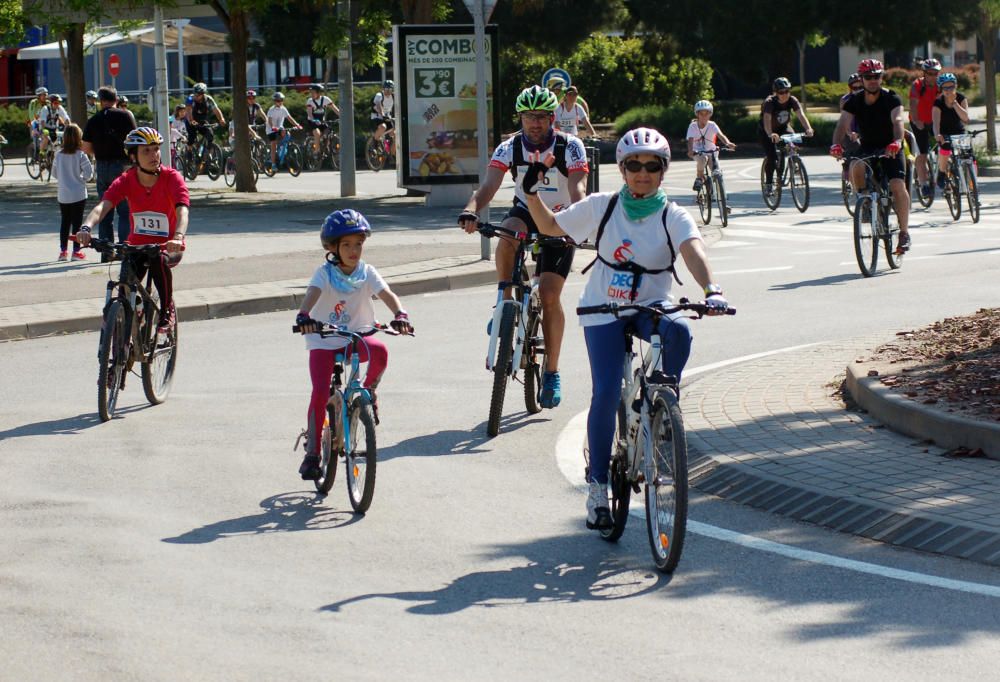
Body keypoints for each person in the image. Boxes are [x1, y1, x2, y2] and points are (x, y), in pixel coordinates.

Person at [518, 127, 729, 530]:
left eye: (652, 166)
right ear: (622, 169)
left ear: (663, 171)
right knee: (607, 391)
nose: (642, 173)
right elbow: (549, 228)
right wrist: (531, 195)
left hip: (650, 305)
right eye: (634, 165)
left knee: (680, 329)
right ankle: (598, 487)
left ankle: (663, 404)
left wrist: (711, 288)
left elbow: (693, 251)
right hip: (603, 309)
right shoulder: (602, 206)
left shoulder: (673, 214)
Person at [458, 85, 589, 408]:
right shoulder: (509, 147)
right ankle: (504, 302)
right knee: (507, 232)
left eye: (541, 117)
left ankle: (552, 372)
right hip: (525, 212)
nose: (535, 123)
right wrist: (471, 210)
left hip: (558, 219)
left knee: (548, 294)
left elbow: (578, 188)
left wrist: (580, 222)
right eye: (529, 117)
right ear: (521, 117)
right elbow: (488, 186)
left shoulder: (570, 146)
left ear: (552, 118)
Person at [293, 209, 414, 481]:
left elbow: (387, 294)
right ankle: (313, 453)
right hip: (324, 340)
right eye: (346, 245)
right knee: (320, 391)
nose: (353, 250)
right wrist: (304, 317)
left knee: (381, 350)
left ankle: (368, 392)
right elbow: (311, 296)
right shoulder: (324, 274)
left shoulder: (367, 272)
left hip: (355, 337)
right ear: (332, 248)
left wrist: (400, 315)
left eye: (358, 244)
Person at [76, 127, 189, 337]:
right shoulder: (126, 180)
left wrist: (178, 236)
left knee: (159, 260)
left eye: (156, 149)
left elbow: (182, 211)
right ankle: (124, 335)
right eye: (146, 151)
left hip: (167, 245)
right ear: (133, 156)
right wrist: (86, 227)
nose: (154, 155)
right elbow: (103, 206)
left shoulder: (172, 178)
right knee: (126, 280)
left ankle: (166, 310)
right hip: (137, 244)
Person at [830, 58, 911, 254]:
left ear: (881, 77)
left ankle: (904, 233)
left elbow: (898, 120)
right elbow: (842, 124)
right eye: (868, 77)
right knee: (855, 165)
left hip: (890, 147)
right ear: (862, 79)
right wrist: (836, 144)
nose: (873, 80)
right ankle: (864, 202)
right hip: (867, 146)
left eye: (877, 76)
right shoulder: (854, 101)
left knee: (897, 185)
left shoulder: (892, 98)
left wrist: (897, 142)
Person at [82, 86, 136, 250]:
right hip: (122, 166)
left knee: (104, 209)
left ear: (101, 101)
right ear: (116, 99)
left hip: (102, 166)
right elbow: (135, 139)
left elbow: (85, 148)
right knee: (125, 211)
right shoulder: (125, 116)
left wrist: (99, 152)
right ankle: (124, 248)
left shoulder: (94, 120)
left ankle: (106, 251)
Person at [758, 77, 814, 196]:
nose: (784, 94)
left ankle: (794, 162)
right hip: (767, 131)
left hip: (783, 128)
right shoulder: (769, 102)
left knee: (795, 140)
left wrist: (808, 128)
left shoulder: (792, 100)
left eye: (787, 91)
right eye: (781, 92)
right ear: (776, 93)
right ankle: (768, 183)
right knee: (772, 158)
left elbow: (801, 115)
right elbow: (766, 119)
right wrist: (770, 133)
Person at [52, 123, 93, 261]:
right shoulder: (81, 155)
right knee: (77, 223)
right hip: (78, 193)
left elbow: (54, 174)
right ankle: (76, 251)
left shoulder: (58, 155)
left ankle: (63, 251)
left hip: (63, 194)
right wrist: (81, 179)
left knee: (65, 222)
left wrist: (64, 179)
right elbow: (89, 173)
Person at [686, 100, 736, 193]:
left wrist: (728, 143)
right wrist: (690, 150)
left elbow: (721, 135)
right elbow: (690, 140)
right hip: (698, 151)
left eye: (706, 113)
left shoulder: (712, 125)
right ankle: (699, 178)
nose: (704, 116)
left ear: (710, 114)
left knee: (717, 172)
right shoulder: (693, 126)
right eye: (701, 113)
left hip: (712, 151)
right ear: (697, 114)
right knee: (702, 159)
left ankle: (723, 198)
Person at [909, 58, 941, 198]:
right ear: (924, 73)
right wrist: (917, 121)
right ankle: (923, 184)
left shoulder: (940, 85)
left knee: (944, 147)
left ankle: (942, 175)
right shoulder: (917, 85)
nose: (933, 76)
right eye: (930, 73)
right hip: (919, 121)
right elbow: (913, 104)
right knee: (923, 153)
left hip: (935, 120)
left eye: (935, 73)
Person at [931, 72, 970, 189]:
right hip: (944, 133)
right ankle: (942, 173)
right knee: (946, 148)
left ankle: (972, 186)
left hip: (959, 132)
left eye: (951, 87)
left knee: (970, 156)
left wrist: (955, 103)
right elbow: (936, 122)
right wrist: (937, 134)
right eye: (945, 87)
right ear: (941, 89)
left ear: (956, 86)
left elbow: (966, 119)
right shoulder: (938, 102)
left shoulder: (961, 98)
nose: (948, 90)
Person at [185, 82, 226, 152]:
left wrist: (221, 119)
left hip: (202, 121)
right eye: (195, 93)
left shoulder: (208, 99)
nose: (196, 96)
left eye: (198, 94)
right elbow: (188, 111)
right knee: (192, 136)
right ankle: (189, 152)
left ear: (203, 94)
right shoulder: (190, 99)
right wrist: (191, 121)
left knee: (210, 134)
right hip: (191, 120)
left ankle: (207, 153)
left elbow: (216, 110)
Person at [266, 91, 301, 169]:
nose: (280, 102)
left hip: (280, 128)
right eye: (278, 100)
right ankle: (273, 164)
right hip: (271, 130)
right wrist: (273, 127)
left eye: (281, 100)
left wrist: (297, 125)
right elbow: (269, 120)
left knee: (287, 134)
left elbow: (289, 118)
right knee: (274, 144)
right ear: (275, 101)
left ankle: (282, 148)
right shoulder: (271, 110)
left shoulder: (283, 109)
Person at [305, 83, 340, 154]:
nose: (311, 94)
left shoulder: (325, 99)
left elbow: (335, 109)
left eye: (313, 92)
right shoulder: (310, 101)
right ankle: (316, 151)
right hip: (312, 121)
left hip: (321, 120)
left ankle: (325, 145)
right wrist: (314, 120)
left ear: (318, 93)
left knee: (327, 131)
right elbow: (309, 113)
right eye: (311, 92)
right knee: (317, 133)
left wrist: (342, 117)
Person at [371, 80, 394, 153]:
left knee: (395, 132)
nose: (388, 91)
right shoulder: (379, 95)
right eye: (386, 89)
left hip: (388, 118)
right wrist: (382, 114)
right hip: (377, 117)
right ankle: (375, 140)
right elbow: (378, 104)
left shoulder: (394, 96)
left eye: (390, 89)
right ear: (383, 89)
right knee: (383, 127)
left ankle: (392, 151)